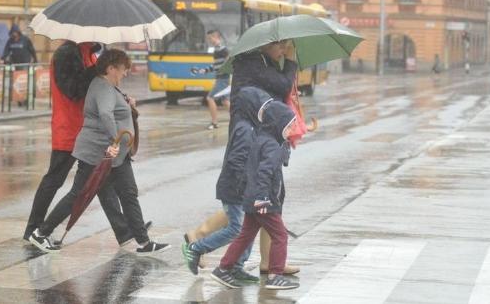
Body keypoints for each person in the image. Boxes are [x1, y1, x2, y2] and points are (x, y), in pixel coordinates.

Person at [29, 49, 169, 255]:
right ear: (111, 68)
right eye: (123, 69)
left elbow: (112, 107)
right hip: (99, 153)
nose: (125, 73)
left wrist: (127, 103)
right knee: (78, 195)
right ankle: (41, 233)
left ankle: (143, 241)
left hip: (115, 156)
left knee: (128, 193)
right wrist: (115, 139)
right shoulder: (102, 86)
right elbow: (105, 113)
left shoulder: (109, 86)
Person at [189, 40, 300, 275]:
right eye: (281, 46)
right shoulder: (252, 63)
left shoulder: (264, 62)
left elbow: (280, 88)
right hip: (256, 140)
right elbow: (282, 85)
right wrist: (289, 62)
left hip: (265, 137)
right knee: (248, 210)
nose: (283, 51)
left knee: (257, 207)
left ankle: (250, 263)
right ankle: (203, 246)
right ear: (266, 44)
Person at [182, 86, 273, 284]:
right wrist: (247, 184)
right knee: (237, 229)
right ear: (251, 108)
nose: (264, 111)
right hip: (235, 188)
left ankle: (237, 267)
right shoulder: (245, 129)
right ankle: (196, 248)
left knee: (249, 227)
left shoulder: (252, 126)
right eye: (262, 107)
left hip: (244, 187)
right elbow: (237, 162)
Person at [211, 101, 299, 290]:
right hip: (264, 201)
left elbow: (253, 168)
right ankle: (275, 275)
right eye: (289, 124)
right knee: (280, 236)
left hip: (252, 198)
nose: (292, 128)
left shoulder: (263, 139)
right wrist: (262, 198)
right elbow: (264, 172)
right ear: (278, 124)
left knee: (245, 235)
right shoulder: (272, 145)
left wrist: (285, 146)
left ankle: (223, 268)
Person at [205, 30, 230, 130]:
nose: (209, 40)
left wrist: (224, 71)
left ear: (216, 37)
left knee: (210, 98)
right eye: (208, 38)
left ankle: (214, 122)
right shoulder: (216, 50)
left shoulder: (222, 49)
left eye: (210, 38)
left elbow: (229, 61)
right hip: (222, 78)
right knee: (225, 101)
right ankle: (238, 119)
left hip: (222, 78)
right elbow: (216, 64)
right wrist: (205, 70)